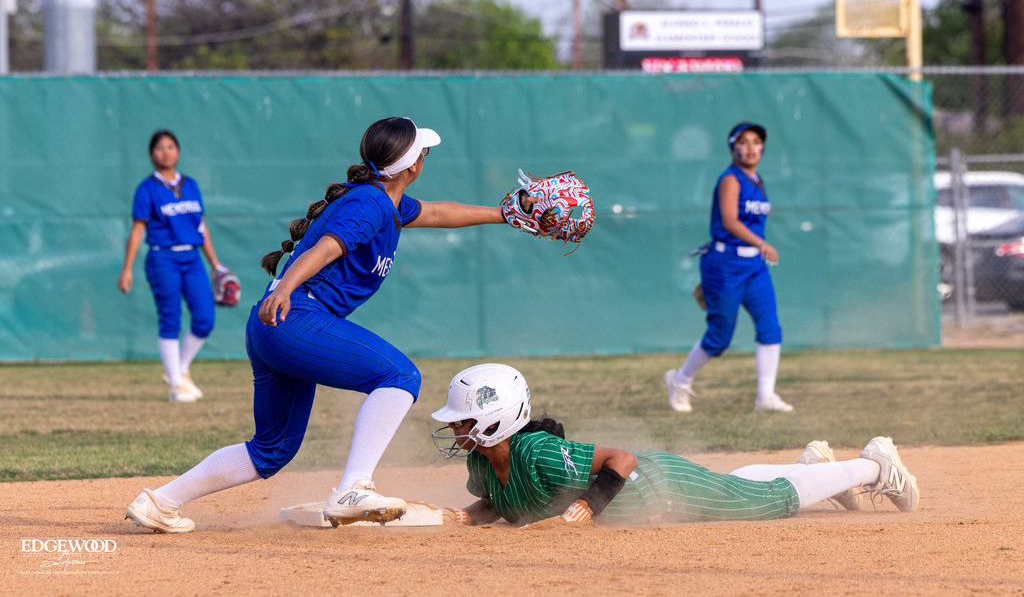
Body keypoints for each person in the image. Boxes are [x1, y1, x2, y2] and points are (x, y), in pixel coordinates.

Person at [126, 117, 521, 533]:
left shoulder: (386, 201)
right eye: (423, 150)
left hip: (274, 324)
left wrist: (507, 213)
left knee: (272, 449)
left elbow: (439, 212)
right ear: (411, 165)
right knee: (399, 374)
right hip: (294, 315)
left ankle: (160, 502)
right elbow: (327, 246)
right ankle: (353, 488)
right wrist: (287, 287)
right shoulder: (370, 202)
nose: (426, 155)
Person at [431, 364, 919, 527]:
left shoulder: (535, 452)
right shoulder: (481, 461)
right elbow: (498, 501)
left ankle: (874, 465)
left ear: (497, 420)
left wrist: (584, 507)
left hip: (661, 490)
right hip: (659, 489)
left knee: (769, 502)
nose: (457, 430)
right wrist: (466, 516)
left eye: (465, 420)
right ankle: (813, 466)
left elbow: (623, 460)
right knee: (733, 486)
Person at [665, 122, 792, 414]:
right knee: (719, 338)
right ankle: (680, 381)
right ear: (733, 147)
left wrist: (758, 248)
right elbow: (729, 221)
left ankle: (765, 397)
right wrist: (762, 243)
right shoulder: (731, 179)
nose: (750, 147)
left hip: (754, 265)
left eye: (756, 141)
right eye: (743, 141)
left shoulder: (758, 179)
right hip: (725, 263)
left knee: (770, 328)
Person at [118, 130, 228, 403]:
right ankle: (176, 386)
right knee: (170, 319)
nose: (165, 151)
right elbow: (137, 230)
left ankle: (179, 370)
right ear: (151, 154)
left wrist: (215, 263)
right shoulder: (147, 189)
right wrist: (127, 268)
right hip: (162, 258)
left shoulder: (190, 184)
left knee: (205, 319)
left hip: (192, 258)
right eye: (159, 148)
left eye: (170, 146)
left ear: (178, 152)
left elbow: (200, 227)